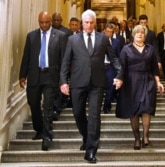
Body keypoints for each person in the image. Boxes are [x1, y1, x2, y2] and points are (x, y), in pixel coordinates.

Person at [60, 9, 123, 163]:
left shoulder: (103, 39)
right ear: (82, 23)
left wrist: (120, 75)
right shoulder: (72, 40)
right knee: (78, 113)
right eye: (86, 22)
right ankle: (87, 137)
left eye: (91, 22)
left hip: (97, 83)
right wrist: (63, 81)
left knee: (94, 116)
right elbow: (66, 62)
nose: (88, 25)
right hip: (78, 83)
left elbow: (113, 59)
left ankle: (91, 150)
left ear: (95, 23)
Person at [19, 11, 67, 150]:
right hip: (34, 75)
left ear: (50, 21)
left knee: (48, 107)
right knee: (33, 103)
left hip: (51, 76)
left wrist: (63, 79)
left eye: (47, 22)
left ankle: (47, 136)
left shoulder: (60, 36)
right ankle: (39, 129)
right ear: (38, 21)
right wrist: (22, 75)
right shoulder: (31, 36)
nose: (44, 25)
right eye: (42, 22)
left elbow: (64, 59)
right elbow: (26, 56)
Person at [116, 25, 164, 150]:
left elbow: (155, 68)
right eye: (137, 32)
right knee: (134, 111)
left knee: (147, 108)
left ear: (145, 35)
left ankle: (146, 136)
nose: (140, 34)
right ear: (133, 34)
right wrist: (119, 80)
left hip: (148, 81)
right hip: (131, 82)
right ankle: (137, 138)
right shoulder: (126, 49)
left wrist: (158, 82)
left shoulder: (151, 49)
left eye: (142, 32)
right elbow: (122, 67)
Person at [52, 12, 73, 120]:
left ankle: (57, 107)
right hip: (50, 65)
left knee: (60, 85)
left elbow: (69, 49)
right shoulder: (48, 31)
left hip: (63, 64)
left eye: (58, 20)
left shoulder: (67, 32)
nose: (56, 22)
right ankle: (54, 107)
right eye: (54, 20)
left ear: (61, 20)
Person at [102, 23, 122, 113]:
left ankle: (107, 106)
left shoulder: (116, 42)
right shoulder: (99, 41)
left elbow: (118, 56)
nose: (109, 33)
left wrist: (119, 70)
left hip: (111, 67)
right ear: (104, 31)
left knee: (110, 88)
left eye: (111, 32)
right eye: (107, 31)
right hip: (100, 67)